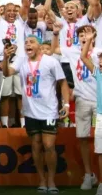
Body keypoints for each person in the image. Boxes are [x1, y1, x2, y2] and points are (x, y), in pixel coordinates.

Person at [2, 35, 70, 194]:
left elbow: (63, 82)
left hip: (49, 111)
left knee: (49, 145)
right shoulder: (21, 60)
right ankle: (42, 180)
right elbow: (7, 73)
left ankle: (52, 180)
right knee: (36, 145)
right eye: (26, 43)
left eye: (31, 42)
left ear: (39, 46)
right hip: (30, 111)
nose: (28, 45)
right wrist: (5, 59)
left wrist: (66, 104)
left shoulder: (51, 61)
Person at [51, 24, 101, 190]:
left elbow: (84, 57)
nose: (83, 36)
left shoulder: (99, 52)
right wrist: (56, 34)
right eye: (80, 34)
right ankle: (89, 175)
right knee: (82, 138)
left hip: (99, 100)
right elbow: (53, 50)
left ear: (94, 35)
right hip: (81, 99)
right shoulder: (71, 51)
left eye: (87, 33)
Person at [0, 0, 30, 128]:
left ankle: (22, 125)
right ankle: (6, 125)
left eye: (15, 10)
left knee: (21, 96)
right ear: (3, 12)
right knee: (5, 96)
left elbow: (26, 5)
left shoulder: (21, 22)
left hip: (20, 62)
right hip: (4, 63)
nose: (12, 13)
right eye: (9, 10)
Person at [79, 29, 102, 195]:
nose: (100, 62)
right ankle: (101, 183)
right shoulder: (98, 74)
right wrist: (88, 40)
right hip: (100, 117)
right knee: (101, 152)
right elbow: (83, 57)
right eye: (100, 60)